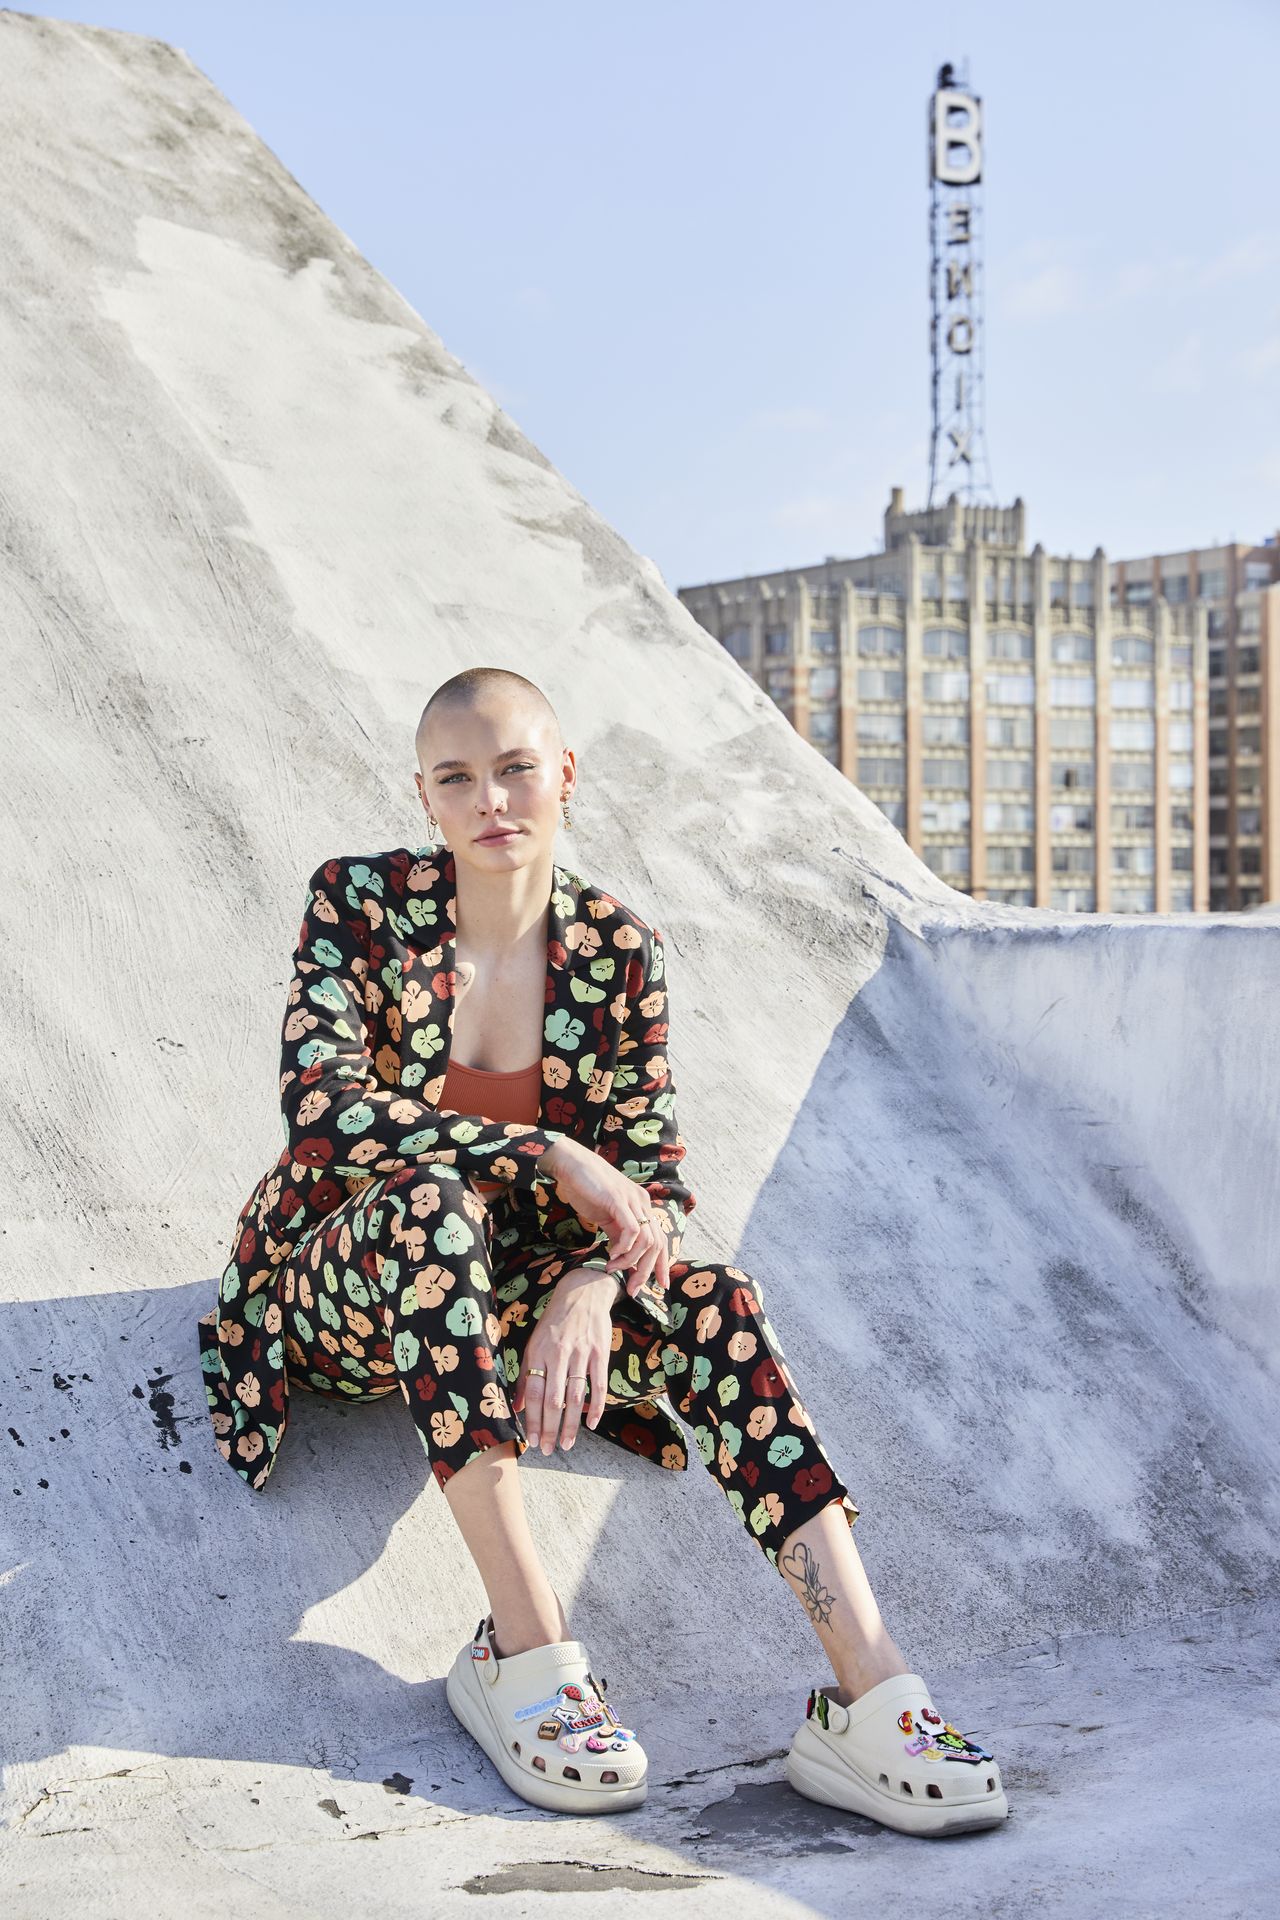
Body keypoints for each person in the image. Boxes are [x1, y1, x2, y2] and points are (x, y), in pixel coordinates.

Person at [196, 666, 1008, 1837]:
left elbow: (651, 1182)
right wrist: (547, 1154)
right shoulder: (358, 905)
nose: (491, 801)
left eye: (515, 768)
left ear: (564, 774)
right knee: (432, 1208)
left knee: (716, 1302)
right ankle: (523, 1655)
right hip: (344, 1280)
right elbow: (322, 1113)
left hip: (515, 1285)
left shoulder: (617, 947)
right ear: (423, 796)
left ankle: (868, 1694)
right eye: (456, 778)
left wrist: (589, 1280)